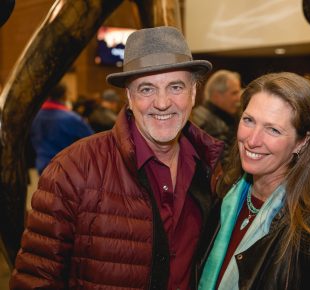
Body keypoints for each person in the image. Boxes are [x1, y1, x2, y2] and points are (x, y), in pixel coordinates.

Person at [10, 26, 224, 289]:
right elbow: (34, 280)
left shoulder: (214, 170)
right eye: (146, 89)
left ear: (193, 94)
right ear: (129, 97)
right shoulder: (73, 169)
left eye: (175, 87)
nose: (162, 102)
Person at [198, 72, 310, 290]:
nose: (252, 140)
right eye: (249, 120)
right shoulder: (222, 198)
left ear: (302, 142)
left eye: (273, 129)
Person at [29, 83, 94, 174]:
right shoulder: (72, 118)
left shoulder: (35, 117)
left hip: (42, 165)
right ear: (64, 96)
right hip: (65, 169)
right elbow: (93, 142)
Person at [191, 69, 242, 167]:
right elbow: (226, 168)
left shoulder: (197, 113)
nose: (239, 98)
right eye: (234, 93)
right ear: (217, 96)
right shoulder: (214, 126)